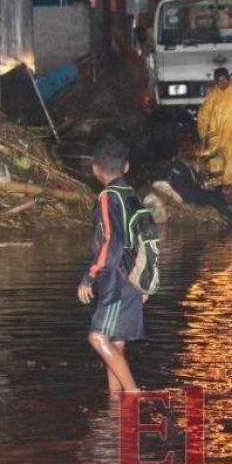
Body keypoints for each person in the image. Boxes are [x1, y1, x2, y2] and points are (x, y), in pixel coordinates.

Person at [77, 136, 144, 395]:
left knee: (97, 337)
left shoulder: (107, 197)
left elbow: (109, 242)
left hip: (116, 280)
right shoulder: (131, 196)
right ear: (126, 167)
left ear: (95, 169)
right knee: (115, 344)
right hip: (133, 277)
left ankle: (133, 394)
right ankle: (116, 407)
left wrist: (89, 276)